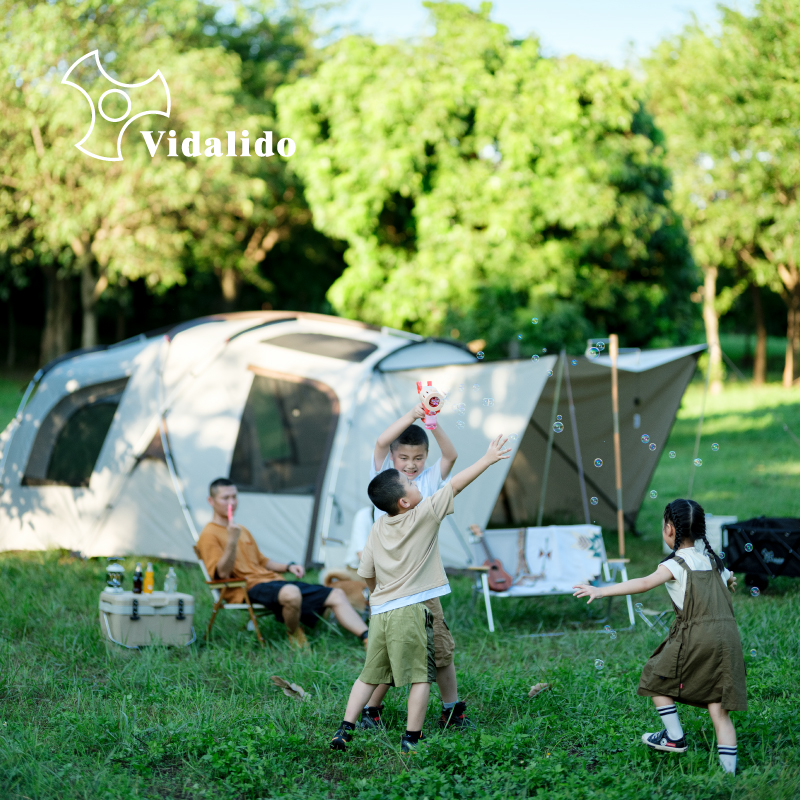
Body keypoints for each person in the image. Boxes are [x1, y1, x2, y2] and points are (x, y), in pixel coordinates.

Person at [330, 435, 511, 753]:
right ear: (404, 501)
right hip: (417, 607)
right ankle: (415, 736)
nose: (417, 485)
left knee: (371, 672)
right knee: (422, 674)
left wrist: (378, 599)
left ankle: (347, 726)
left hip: (382, 610)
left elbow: (367, 572)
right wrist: (488, 459)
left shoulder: (377, 527)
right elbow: (454, 485)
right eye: (410, 485)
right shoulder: (422, 515)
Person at [573, 499, 746, 774]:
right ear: (700, 530)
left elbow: (642, 584)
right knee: (719, 709)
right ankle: (728, 774)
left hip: (696, 634)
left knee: (654, 678)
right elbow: (729, 578)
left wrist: (601, 590)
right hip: (728, 637)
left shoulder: (676, 564)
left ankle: (675, 738)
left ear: (669, 529)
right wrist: (732, 580)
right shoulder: (712, 560)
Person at [361, 403, 470, 731]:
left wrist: (432, 422)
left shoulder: (429, 481)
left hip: (422, 584)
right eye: (404, 457)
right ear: (393, 459)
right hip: (391, 585)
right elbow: (381, 443)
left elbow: (450, 455)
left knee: (439, 647)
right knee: (390, 654)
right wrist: (412, 413)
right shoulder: (385, 480)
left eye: (418, 457)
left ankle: (451, 709)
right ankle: (370, 710)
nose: (411, 465)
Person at [196, 478, 369, 650]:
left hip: (273, 583)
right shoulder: (209, 534)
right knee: (291, 593)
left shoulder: (241, 529)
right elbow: (223, 574)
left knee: (336, 594)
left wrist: (288, 567)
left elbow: (262, 561)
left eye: (234, 496)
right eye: (225, 498)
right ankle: (294, 633)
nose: (232, 502)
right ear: (211, 501)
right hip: (246, 587)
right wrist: (232, 542)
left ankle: (368, 637)